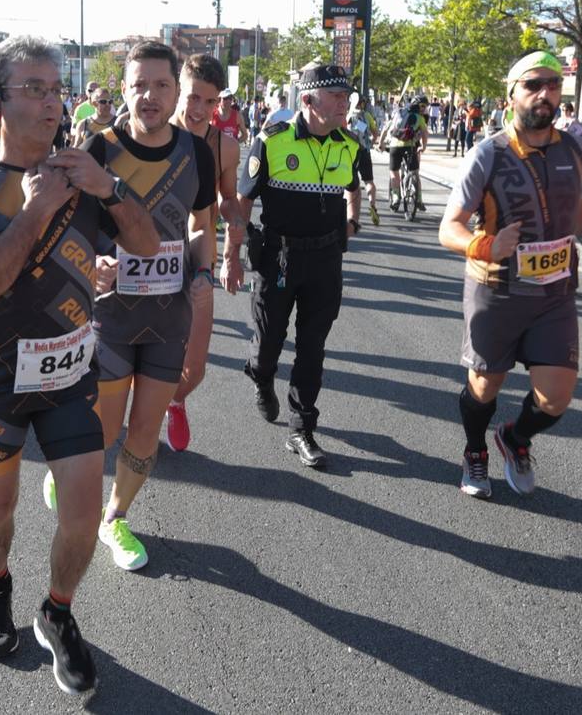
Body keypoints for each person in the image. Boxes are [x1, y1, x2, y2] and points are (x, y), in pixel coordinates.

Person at [0, 36, 157, 694]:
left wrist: (109, 187)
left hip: (67, 375)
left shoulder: (87, 176)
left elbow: (144, 246)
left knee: (84, 514)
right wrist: (37, 208)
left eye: (55, 89)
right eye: (32, 89)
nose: (50, 102)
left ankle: (58, 612)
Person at [47, 41, 215, 574]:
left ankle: (114, 516)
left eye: (161, 85)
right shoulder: (99, 150)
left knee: (145, 431)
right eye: (139, 85)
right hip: (113, 316)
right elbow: (70, 228)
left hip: (169, 319)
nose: (150, 96)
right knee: (103, 429)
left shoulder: (197, 152)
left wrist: (205, 272)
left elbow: (200, 224)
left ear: (175, 92)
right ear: (124, 89)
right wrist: (92, 261)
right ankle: (71, 470)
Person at [438, 51, 582, 499]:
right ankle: (476, 450)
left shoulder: (573, 147)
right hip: (497, 292)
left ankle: (514, 438)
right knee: (483, 387)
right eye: (533, 85)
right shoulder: (487, 154)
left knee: (556, 398)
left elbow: (573, 205)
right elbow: (449, 228)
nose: (545, 94)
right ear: (511, 93)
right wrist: (486, 245)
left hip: (554, 293)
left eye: (552, 85)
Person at [237, 63, 363, 468]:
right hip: (279, 258)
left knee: (313, 347)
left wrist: (352, 222)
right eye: (337, 96)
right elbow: (243, 198)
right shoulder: (272, 141)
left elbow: (353, 188)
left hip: (325, 259)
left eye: (347, 96)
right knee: (269, 341)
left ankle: (301, 428)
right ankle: (260, 375)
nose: (346, 102)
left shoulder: (350, 143)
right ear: (308, 100)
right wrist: (232, 252)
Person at [166, 54, 243, 453]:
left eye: (209, 102)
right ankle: (138, 412)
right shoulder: (150, 133)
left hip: (199, 258)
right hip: (146, 259)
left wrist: (237, 229)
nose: (199, 110)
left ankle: (174, 399)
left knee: (194, 369)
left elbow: (227, 200)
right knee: (128, 361)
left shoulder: (225, 147)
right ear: (180, 90)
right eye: (193, 98)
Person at [385, 96, 429, 212]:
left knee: (394, 172)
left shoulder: (399, 113)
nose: (424, 109)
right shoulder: (420, 118)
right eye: (423, 106)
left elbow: (388, 128)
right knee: (415, 173)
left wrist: (381, 143)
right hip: (411, 146)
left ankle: (395, 198)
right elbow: (425, 133)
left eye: (425, 107)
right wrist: (423, 147)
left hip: (395, 146)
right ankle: (419, 199)